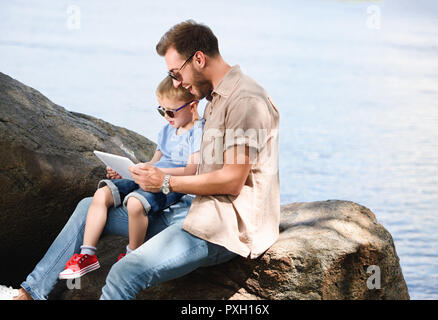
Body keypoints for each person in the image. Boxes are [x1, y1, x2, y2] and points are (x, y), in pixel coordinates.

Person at [1, 19, 279, 300]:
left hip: (224, 227)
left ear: (198, 59)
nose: (176, 83)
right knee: (89, 208)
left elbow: (232, 181)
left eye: (175, 73)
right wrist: (141, 177)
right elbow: (203, 170)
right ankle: (29, 294)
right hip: (193, 209)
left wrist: (166, 181)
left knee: (123, 274)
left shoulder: (244, 101)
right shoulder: (214, 100)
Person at [58, 76, 204, 280]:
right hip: (150, 177)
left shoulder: (198, 131)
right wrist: (134, 170)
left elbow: (191, 170)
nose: (167, 117)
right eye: (162, 110)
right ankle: (87, 255)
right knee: (102, 193)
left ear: (193, 106)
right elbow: (155, 161)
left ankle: (132, 255)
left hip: (170, 185)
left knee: (135, 204)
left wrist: (159, 174)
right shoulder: (166, 130)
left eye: (171, 111)